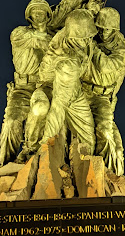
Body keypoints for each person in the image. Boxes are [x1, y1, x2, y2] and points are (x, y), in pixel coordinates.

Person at [0, 0, 104, 165]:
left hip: (50, 84)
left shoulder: (58, 34)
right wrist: (64, 36)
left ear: (49, 15)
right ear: (29, 16)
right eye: (35, 13)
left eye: (43, 12)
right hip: (24, 87)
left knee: (53, 117)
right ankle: (9, 164)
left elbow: (66, 8)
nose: (39, 15)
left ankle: (48, 157)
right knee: (12, 122)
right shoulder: (20, 34)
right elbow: (52, 36)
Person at [37, 9, 98, 154]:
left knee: (89, 138)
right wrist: (46, 144)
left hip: (74, 89)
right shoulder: (65, 61)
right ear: (72, 36)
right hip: (58, 87)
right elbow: (58, 107)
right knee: (55, 121)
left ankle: (86, 170)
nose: (87, 41)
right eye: (83, 38)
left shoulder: (74, 29)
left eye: (88, 37)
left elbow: (82, 19)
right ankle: (41, 151)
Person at [81, 7, 125, 174]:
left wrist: (92, 47)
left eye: (107, 28)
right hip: (82, 91)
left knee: (104, 130)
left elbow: (106, 65)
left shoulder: (121, 50)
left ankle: (105, 173)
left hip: (101, 96)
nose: (102, 32)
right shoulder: (92, 36)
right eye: (100, 28)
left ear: (115, 29)